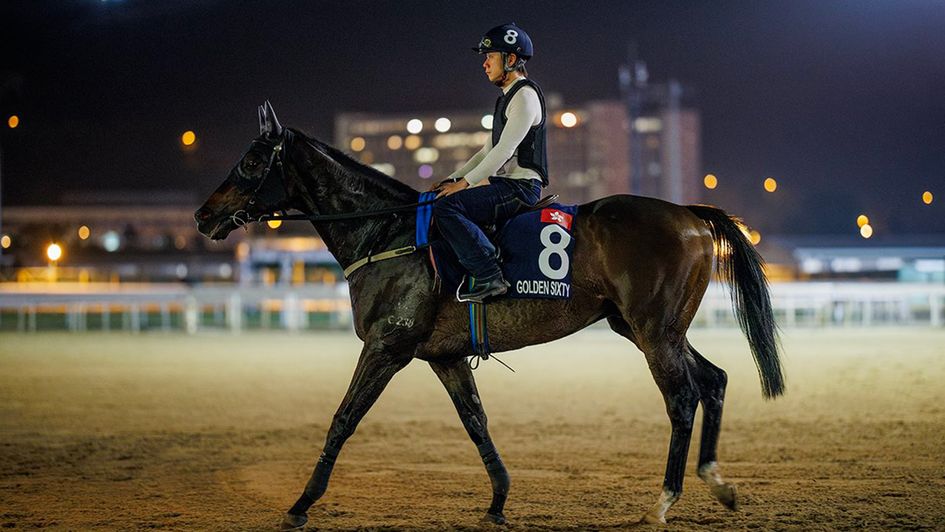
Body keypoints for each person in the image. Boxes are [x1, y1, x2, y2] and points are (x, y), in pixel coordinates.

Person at [432, 22, 549, 303]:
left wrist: (464, 185)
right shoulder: (507, 99)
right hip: (507, 184)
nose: (484, 64)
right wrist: (453, 178)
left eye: (490, 57)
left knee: (447, 208)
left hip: (521, 188)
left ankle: (489, 274)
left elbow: (504, 151)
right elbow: (486, 153)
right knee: (443, 198)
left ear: (510, 60)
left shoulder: (525, 96)